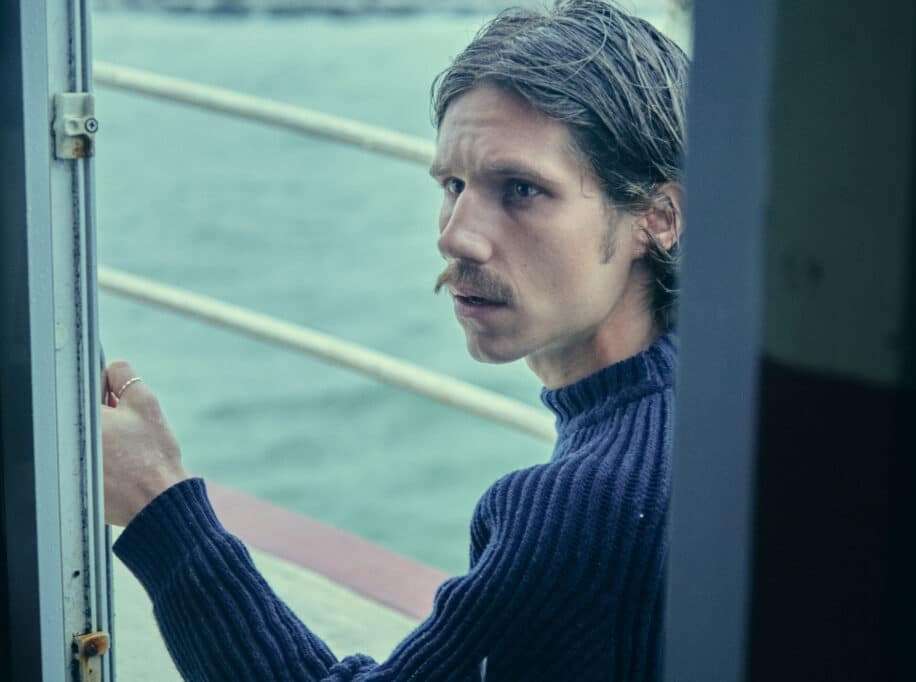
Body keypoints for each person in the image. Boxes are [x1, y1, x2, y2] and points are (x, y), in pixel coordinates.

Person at [103, 1, 688, 679]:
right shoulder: (714, 411)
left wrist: (157, 503)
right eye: (453, 185)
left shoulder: (579, 506)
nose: (456, 236)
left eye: (521, 189)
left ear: (658, 217)